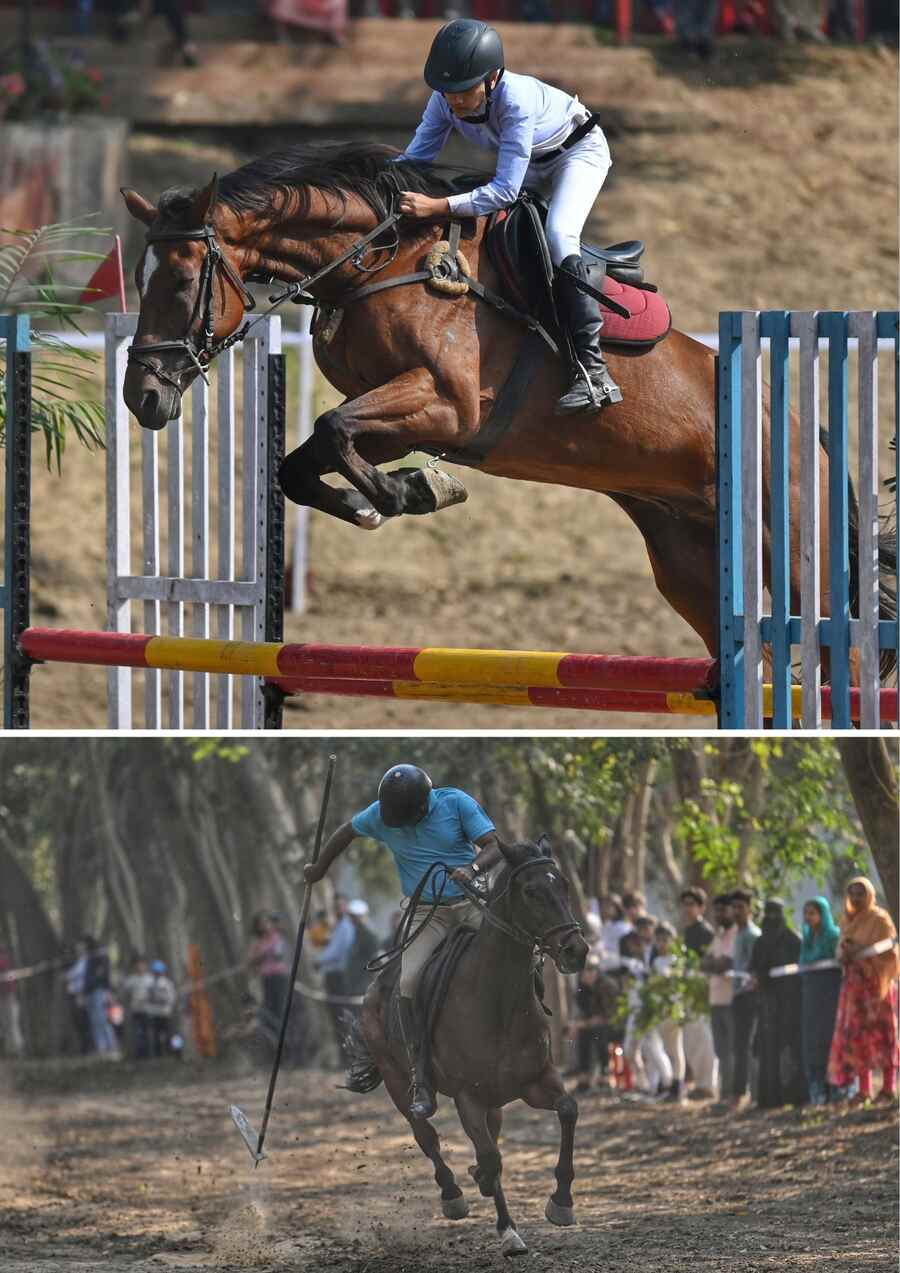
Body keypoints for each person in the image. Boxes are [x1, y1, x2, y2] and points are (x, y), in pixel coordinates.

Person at [394, 19, 622, 415]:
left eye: (464, 91)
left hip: (577, 154)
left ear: (494, 77)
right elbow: (415, 159)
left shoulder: (515, 100)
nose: (455, 103)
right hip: (532, 161)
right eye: (447, 93)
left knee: (558, 235)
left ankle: (593, 372)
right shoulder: (443, 99)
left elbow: (503, 191)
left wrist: (437, 206)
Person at [304, 763, 500, 1118]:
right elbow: (345, 833)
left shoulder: (456, 803)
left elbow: (494, 845)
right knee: (408, 983)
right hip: (428, 913)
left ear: (424, 806)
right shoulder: (380, 815)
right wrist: (318, 869)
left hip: (472, 901)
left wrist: (472, 870)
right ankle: (420, 1076)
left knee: (521, 954)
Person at [827, 877, 899, 1106]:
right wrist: (845, 954)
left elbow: (891, 953)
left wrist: (865, 952)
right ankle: (864, 1090)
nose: (856, 899)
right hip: (854, 992)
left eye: (860, 893)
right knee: (857, 1039)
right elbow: (839, 950)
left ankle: (888, 1088)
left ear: (869, 895)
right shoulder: (847, 921)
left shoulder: (880, 919)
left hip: (878, 990)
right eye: (852, 894)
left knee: (883, 1037)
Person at [749, 899, 807, 1108]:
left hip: (788, 1005)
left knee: (789, 1049)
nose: (771, 918)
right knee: (767, 1051)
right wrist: (758, 978)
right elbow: (754, 968)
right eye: (768, 914)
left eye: (775, 914)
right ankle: (768, 1098)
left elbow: (795, 973)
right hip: (766, 1005)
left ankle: (793, 1096)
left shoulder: (793, 940)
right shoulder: (760, 941)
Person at [799, 897, 842, 1105]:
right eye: (806, 913)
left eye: (812, 913)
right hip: (811, 995)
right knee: (813, 1041)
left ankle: (837, 1088)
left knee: (830, 1037)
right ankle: (818, 1090)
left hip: (830, 994)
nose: (808, 918)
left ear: (822, 914)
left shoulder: (833, 936)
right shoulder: (807, 938)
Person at [680, 886, 717, 1100]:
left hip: (702, 989)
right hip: (688, 989)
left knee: (704, 1036)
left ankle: (707, 1085)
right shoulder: (687, 931)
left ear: (701, 907)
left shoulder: (706, 932)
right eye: (685, 905)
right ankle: (697, 1083)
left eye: (692, 904)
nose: (688, 909)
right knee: (691, 1037)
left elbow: (708, 962)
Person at [701, 894, 736, 1105]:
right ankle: (724, 1094)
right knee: (721, 1050)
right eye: (716, 910)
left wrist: (716, 964)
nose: (718, 914)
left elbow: (726, 964)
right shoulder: (718, 936)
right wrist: (715, 963)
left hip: (732, 1000)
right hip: (716, 999)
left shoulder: (737, 935)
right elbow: (704, 963)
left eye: (723, 910)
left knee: (733, 1049)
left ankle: (734, 1094)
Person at [729, 888, 760, 1111]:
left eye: (741, 906)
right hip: (737, 995)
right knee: (738, 1046)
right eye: (734, 907)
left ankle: (747, 1093)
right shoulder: (737, 934)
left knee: (747, 1046)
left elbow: (753, 968)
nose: (736, 911)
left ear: (750, 908)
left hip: (750, 996)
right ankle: (738, 1092)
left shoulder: (752, 934)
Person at [650, 922, 685, 1101]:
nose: (662, 944)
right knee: (665, 1048)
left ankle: (678, 1085)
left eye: (665, 940)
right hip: (660, 1009)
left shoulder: (676, 961)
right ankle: (668, 1083)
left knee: (675, 1048)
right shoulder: (656, 961)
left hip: (674, 1008)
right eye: (659, 940)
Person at [248, 911, 291, 1037]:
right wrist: (258, 958)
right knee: (269, 1007)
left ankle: (284, 1036)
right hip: (267, 977)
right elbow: (251, 960)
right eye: (261, 923)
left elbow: (279, 955)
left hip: (279, 976)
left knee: (280, 1007)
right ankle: (275, 1035)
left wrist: (263, 955)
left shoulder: (276, 937)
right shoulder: (258, 942)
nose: (265, 925)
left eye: (266, 922)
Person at [343, 899, 380, 1026]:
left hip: (364, 983)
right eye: (351, 916)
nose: (352, 919)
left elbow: (375, 961)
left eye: (355, 916)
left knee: (364, 1018)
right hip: (354, 982)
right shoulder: (356, 933)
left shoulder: (370, 935)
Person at [83, 936, 117, 1057]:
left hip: (99, 991)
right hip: (91, 991)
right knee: (95, 1021)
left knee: (102, 1019)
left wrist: (107, 991)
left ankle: (110, 1046)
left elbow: (104, 976)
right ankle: (101, 1047)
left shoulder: (100, 957)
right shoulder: (90, 958)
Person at [122, 955, 154, 1060]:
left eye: (142, 965)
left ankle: (151, 1053)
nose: (140, 967)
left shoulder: (150, 979)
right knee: (139, 1032)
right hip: (136, 1010)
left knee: (148, 1031)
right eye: (138, 965)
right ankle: (141, 1054)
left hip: (148, 1010)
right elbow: (125, 991)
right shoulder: (132, 980)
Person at [146, 960, 177, 1059]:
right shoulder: (150, 983)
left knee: (169, 1033)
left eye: (159, 971)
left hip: (165, 1012)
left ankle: (172, 1052)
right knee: (155, 1034)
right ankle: (158, 1054)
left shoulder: (167, 983)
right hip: (154, 1013)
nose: (157, 973)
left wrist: (163, 999)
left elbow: (172, 998)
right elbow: (147, 998)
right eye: (155, 971)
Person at [0, 946, 24, 1057]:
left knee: (11, 1024)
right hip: (5, 996)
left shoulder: (3, 960)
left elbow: (7, 977)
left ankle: (17, 1051)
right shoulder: (5, 959)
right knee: (7, 1025)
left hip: (7, 996)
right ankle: (11, 1051)